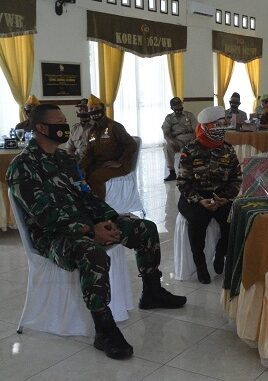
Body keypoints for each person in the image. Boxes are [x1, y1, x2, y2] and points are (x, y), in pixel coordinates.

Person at [6, 103, 187, 360]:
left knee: (143, 228)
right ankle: (104, 328)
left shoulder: (66, 160)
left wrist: (109, 220)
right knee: (92, 253)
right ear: (41, 128)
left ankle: (152, 290)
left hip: (87, 224)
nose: (64, 126)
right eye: (58, 121)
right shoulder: (22, 167)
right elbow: (45, 217)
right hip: (53, 237)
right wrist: (91, 232)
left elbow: (87, 196)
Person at [177, 106, 241, 283]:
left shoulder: (228, 149)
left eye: (223, 125)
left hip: (221, 196)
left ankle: (221, 253)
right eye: (216, 125)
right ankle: (200, 266)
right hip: (194, 197)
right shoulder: (190, 149)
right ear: (205, 127)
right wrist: (199, 200)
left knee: (234, 218)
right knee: (197, 221)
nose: (221, 129)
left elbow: (236, 179)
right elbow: (183, 182)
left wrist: (225, 199)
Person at [80, 95, 137, 201]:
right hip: (100, 164)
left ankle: (101, 208)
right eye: (91, 109)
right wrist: (80, 167)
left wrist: (119, 162)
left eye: (97, 108)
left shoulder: (114, 127)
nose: (94, 112)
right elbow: (89, 153)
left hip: (118, 165)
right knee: (81, 176)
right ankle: (89, 205)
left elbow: (131, 145)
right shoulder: (92, 131)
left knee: (95, 178)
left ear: (103, 109)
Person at [161, 97, 197, 181]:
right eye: (176, 108)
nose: (178, 110)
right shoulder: (169, 118)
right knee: (167, 148)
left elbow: (196, 129)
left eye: (180, 107)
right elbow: (165, 133)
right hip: (177, 140)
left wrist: (194, 140)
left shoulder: (189, 115)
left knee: (197, 146)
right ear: (172, 108)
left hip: (191, 137)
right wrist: (171, 142)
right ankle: (172, 172)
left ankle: (196, 171)